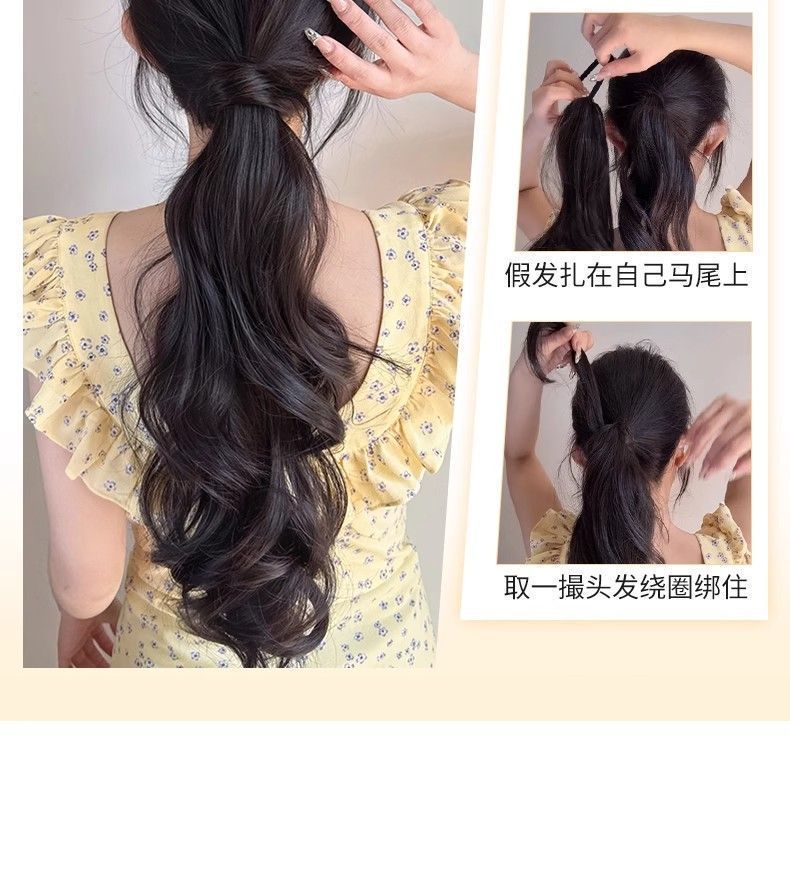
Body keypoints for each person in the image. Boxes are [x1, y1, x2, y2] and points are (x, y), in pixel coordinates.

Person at [23, 0, 478, 668]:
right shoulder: (433, 254)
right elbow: (551, 172)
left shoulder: (64, 275)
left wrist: (78, 618)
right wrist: (460, 74)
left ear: (139, 33)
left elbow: (87, 579)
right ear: (340, 50)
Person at [504, 324, 752, 564]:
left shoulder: (552, 554)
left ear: (580, 454)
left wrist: (533, 361)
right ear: (680, 452)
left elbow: (519, 457)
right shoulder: (730, 561)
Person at [518, 14, 752, 250]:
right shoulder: (752, 237)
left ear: (614, 135)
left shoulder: (579, 250)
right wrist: (676, 30)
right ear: (713, 139)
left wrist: (539, 124)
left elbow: (521, 192)